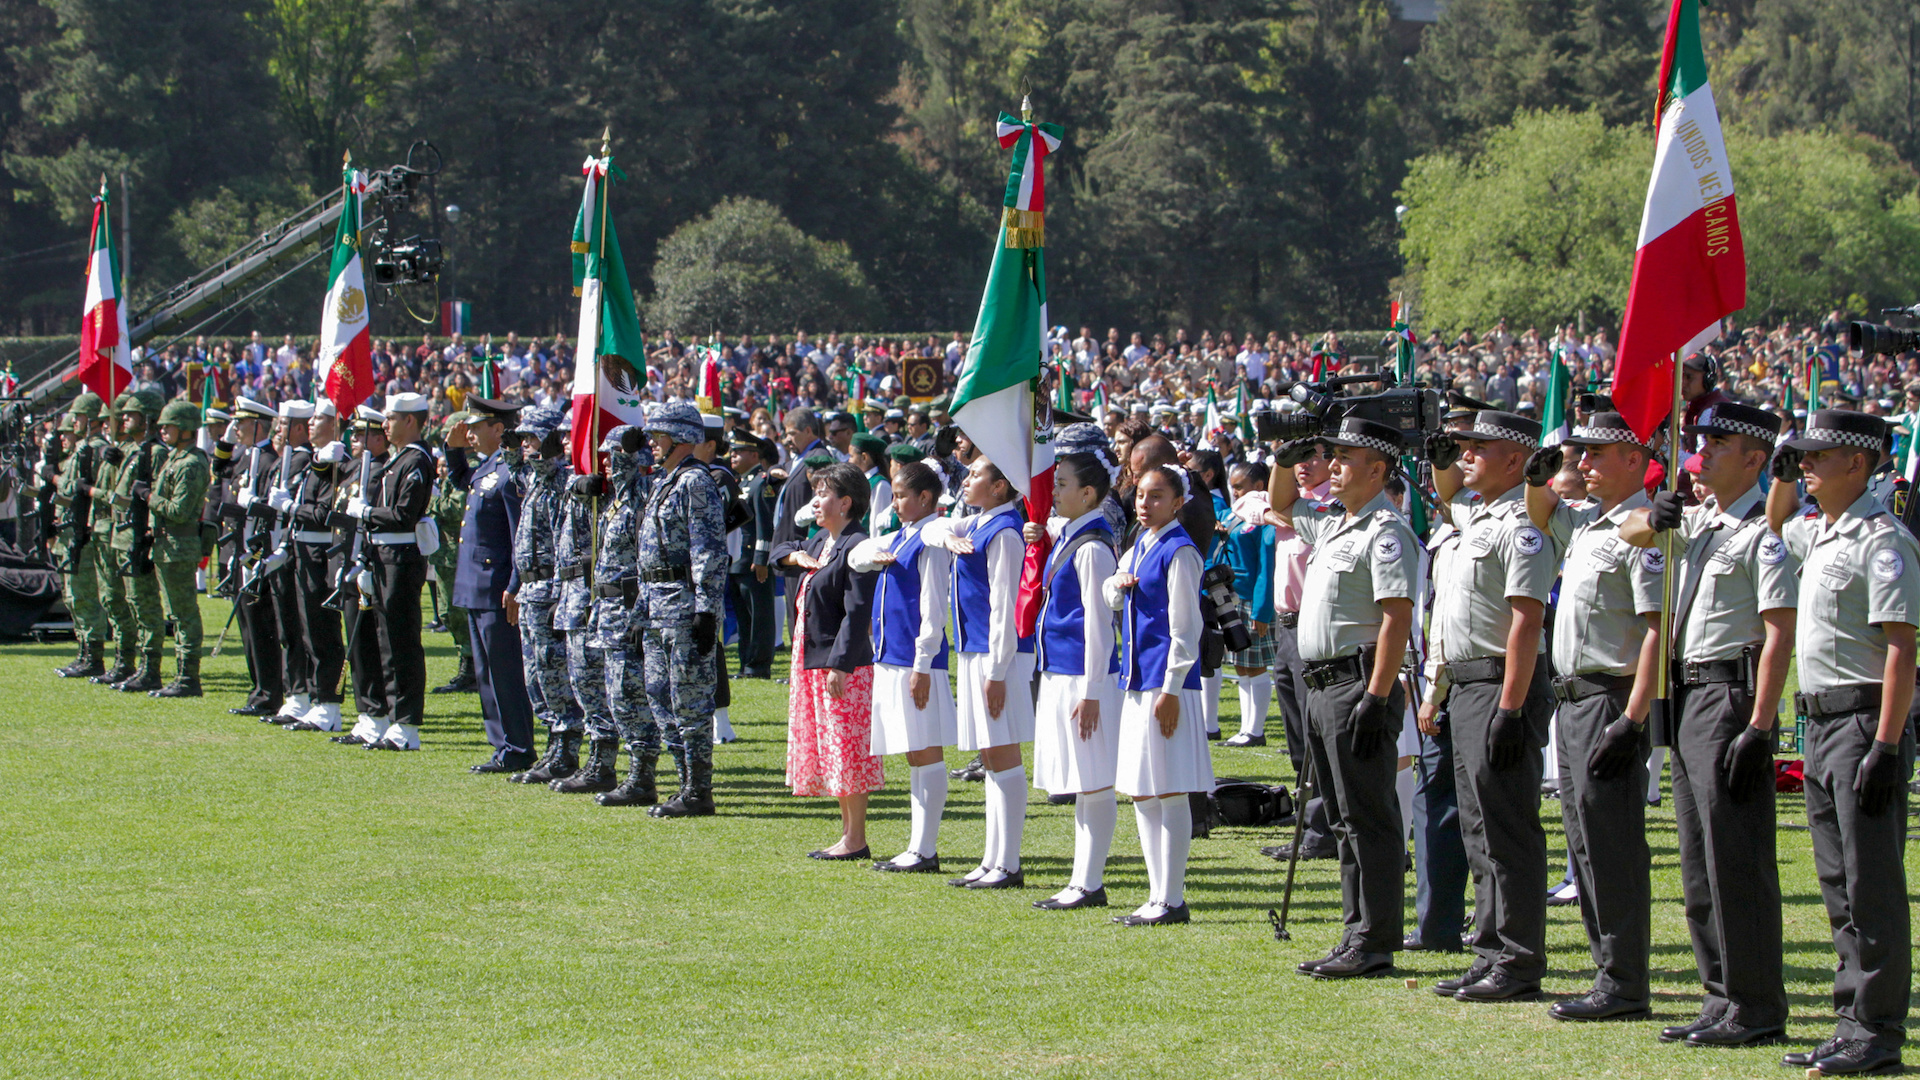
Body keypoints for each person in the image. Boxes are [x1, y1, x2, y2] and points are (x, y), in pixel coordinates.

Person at [1619, 401, 1793, 1047]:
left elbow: (1778, 636)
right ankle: (1718, 994)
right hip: (1688, 696)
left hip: (1729, 695)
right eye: (1703, 440)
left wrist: (1759, 725)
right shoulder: (1700, 523)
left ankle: (1755, 1006)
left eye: (1719, 442)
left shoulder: (1763, 531)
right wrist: (1655, 512)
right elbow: (1633, 533)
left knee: (1734, 858)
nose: (1705, 451)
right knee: (1697, 860)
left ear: (1754, 458)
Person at [1767, 409, 1916, 1076]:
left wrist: (1886, 745)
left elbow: (1901, 649)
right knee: (1836, 881)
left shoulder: (1882, 541)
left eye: (1815, 456)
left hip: (1862, 723)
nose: (1804, 466)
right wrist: (1779, 472)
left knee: (1870, 881)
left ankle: (1879, 1029)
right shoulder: (1823, 534)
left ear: (1856, 463)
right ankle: (1850, 1017)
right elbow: (1774, 526)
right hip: (1822, 724)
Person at [1523, 411, 1663, 1021]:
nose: (1582, 463)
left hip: (1612, 695)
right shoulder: (1589, 524)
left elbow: (1658, 631)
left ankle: (1626, 981)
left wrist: (1633, 721)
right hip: (1574, 696)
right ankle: (1609, 971)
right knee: (1582, 844)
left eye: (1596, 454)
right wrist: (1540, 470)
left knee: (1612, 846)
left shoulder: (1645, 528)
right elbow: (1539, 512)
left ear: (1634, 459)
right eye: (1579, 453)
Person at [1271, 417, 1418, 979]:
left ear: (1377, 469)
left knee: (1367, 818)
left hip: (1356, 684)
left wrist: (1377, 698)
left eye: (1344, 457)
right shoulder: (1336, 525)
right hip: (1322, 686)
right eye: (1329, 455)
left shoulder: (1385, 530)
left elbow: (1396, 617)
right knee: (1341, 818)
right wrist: (1289, 453)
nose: (1331, 465)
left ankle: (1374, 939)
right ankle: (1356, 929)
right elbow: (1283, 501)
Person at [1422, 411, 1558, 1002]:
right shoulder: (1476, 514)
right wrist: (1442, 455)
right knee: (1478, 827)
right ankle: (1489, 949)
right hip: (1468, 684)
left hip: (1504, 683)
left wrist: (1511, 706)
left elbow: (1528, 619)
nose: (1467, 454)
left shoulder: (1523, 523)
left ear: (1516, 460)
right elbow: (1447, 487)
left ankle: (1520, 960)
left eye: (1481, 446)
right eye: (1464, 446)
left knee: (1507, 827)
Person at [1105, 463, 1214, 925]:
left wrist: (1171, 689)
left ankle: (1171, 897)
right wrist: (1116, 584)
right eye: (1140, 496)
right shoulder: (1139, 545)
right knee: (1142, 792)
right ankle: (1156, 894)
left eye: (1155, 496)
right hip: (1136, 682)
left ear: (1177, 502)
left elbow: (1186, 630)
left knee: (1169, 791)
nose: (1144, 504)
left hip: (1166, 686)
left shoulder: (1179, 550)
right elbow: (1113, 594)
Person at [850, 460, 955, 873]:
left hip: (914, 660)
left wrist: (923, 662)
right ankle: (917, 845)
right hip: (892, 657)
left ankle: (925, 849)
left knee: (926, 750)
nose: (894, 503)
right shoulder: (903, 535)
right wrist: (870, 551)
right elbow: (857, 555)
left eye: (900, 495)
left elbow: (933, 606)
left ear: (925, 498)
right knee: (914, 753)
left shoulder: (928, 540)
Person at [936, 456, 1036, 889]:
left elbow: (1005, 607)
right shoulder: (976, 522)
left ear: (1000, 487)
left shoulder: (1006, 531)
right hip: (976, 651)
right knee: (991, 758)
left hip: (999, 656)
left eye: (976, 474)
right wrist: (945, 533)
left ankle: (1009, 862)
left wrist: (996, 671)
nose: (966, 479)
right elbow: (933, 528)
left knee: (1003, 753)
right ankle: (992, 857)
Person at [1031, 447, 1123, 909]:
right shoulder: (1073, 535)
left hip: (1084, 678)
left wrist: (1090, 691)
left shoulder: (1092, 547)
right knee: (1081, 781)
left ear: (1089, 494)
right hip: (1062, 673)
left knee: (1094, 780)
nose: (1055, 491)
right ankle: (1081, 878)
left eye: (1063, 484)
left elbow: (1097, 625)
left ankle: (1090, 881)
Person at [784, 461, 882, 857]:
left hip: (842, 662)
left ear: (845, 502)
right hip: (815, 658)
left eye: (823, 494)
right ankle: (847, 834)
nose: (815, 502)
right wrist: (793, 559)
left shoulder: (857, 544)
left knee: (848, 747)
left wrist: (840, 663)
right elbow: (780, 549)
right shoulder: (821, 542)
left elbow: (857, 611)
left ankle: (856, 837)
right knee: (832, 746)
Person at [639, 401, 729, 818]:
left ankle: (698, 789)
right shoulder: (664, 481)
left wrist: (706, 609)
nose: (652, 444)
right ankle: (682, 783)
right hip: (657, 604)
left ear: (677, 438)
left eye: (658, 436)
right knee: (659, 695)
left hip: (684, 603)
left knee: (689, 700)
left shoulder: (695, 481)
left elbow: (708, 548)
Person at [445, 397, 537, 774]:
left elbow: (521, 535)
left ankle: (518, 746)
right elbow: (461, 480)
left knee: (505, 672)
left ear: (498, 430)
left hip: (498, 585)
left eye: (476, 426)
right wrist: (452, 451)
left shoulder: (512, 471)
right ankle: (502, 745)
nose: (469, 432)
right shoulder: (487, 466)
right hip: (475, 585)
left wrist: (516, 584)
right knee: (485, 673)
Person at [343, 393, 435, 751]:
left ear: (410, 421)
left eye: (392, 418)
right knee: (384, 640)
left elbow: (403, 514)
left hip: (401, 559)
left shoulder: (417, 460)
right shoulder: (399, 459)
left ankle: (407, 723)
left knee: (400, 641)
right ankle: (389, 718)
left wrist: (365, 513)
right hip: (383, 556)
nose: (385, 425)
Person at [504, 405, 580, 783]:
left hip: (550, 588)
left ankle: (567, 750)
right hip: (531, 588)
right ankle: (554, 744)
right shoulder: (535, 481)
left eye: (533, 438)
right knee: (536, 675)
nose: (526, 446)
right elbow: (515, 470)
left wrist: (559, 594)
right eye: (524, 440)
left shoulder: (562, 484)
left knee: (554, 673)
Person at [591, 426, 665, 808]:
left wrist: (640, 613)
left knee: (631, 694)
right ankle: (635, 773)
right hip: (608, 610)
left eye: (613, 453)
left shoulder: (641, 498)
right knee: (617, 695)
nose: (606, 461)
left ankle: (642, 777)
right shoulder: (616, 500)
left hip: (629, 609)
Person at [212, 397, 282, 715]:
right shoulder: (246, 457)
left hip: (255, 553)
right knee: (246, 625)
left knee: (260, 625)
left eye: (240, 424)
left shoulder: (269, 460)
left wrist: (252, 559)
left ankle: (269, 692)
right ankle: (258, 688)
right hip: (238, 551)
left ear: (257, 425)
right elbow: (219, 469)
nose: (235, 428)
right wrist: (226, 441)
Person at [287, 403, 351, 732]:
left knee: (324, 629)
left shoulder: (339, 464)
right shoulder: (317, 462)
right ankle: (316, 697)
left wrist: (293, 508)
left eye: (319, 419)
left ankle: (329, 702)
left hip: (323, 551)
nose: (311, 424)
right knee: (308, 628)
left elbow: (326, 511)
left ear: (336, 424)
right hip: (303, 548)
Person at [103, 389, 170, 694]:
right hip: (121, 534)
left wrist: (149, 534)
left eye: (131, 414)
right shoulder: (132, 450)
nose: (124, 418)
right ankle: (131, 663)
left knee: (145, 605)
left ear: (148, 419)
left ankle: (151, 667)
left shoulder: (154, 453)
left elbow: (157, 493)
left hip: (137, 536)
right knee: (130, 602)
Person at [145, 400, 212, 697]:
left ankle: (188, 677)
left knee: (184, 613)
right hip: (167, 545)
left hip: (179, 546)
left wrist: (148, 497)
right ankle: (181, 674)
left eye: (168, 425)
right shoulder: (175, 458)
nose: (163, 429)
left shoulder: (191, 464)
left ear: (185, 429)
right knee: (175, 613)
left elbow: (180, 510)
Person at [51, 393, 109, 679]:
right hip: (75, 527)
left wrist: (56, 480)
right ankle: (85, 651)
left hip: (84, 530)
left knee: (83, 594)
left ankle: (92, 655)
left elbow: (72, 490)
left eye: (79, 416)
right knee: (75, 595)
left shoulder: (92, 449)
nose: (74, 421)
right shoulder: (89, 448)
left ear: (92, 420)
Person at [264, 400, 315, 724]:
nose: (277, 430)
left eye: (283, 424)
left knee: (299, 626)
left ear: (298, 427)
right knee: (285, 623)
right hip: (278, 547)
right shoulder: (286, 459)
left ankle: (303, 692)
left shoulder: (304, 461)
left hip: (297, 550)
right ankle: (294, 691)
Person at [1221, 461, 1276, 747]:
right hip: (1233, 597)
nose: (1235, 492)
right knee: (1241, 665)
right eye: (1232, 487)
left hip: (1252, 599)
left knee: (1255, 666)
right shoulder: (1235, 515)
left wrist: (1262, 609)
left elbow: (1267, 567)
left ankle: (1255, 730)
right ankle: (1245, 728)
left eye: (1240, 486)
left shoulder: (1264, 519)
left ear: (1258, 486)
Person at [727, 430, 778, 680]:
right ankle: (745, 661)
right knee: (744, 617)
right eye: (732, 451)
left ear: (754, 454)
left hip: (752, 561)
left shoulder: (761, 482)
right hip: (737, 561)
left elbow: (764, 525)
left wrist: (761, 560)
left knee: (760, 615)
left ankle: (758, 665)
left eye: (738, 451)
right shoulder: (741, 482)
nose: (732, 455)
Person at [427, 437, 476, 695]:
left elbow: (457, 507)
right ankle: (467, 665)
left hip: (459, 555)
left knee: (460, 613)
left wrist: (431, 506)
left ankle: (472, 669)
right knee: (449, 613)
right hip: (445, 553)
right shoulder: (455, 472)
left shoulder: (473, 468)